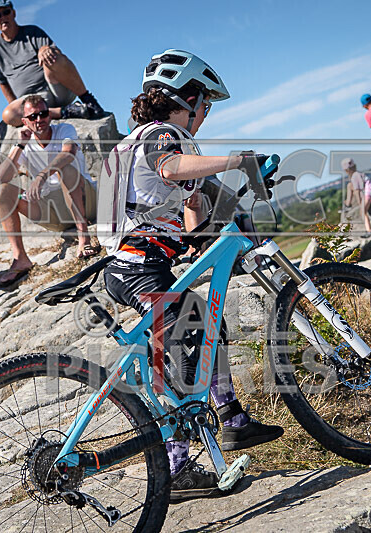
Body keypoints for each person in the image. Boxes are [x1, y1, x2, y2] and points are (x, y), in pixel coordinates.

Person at [102, 49, 283, 502]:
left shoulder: (130, 144)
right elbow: (170, 167)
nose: (204, 116)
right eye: (205, 105)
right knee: (189, 327)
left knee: (200, 324)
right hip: (137, 263)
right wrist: (236, 161)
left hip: (135, 262)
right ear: (188, 99)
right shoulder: (162, 134)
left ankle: (233, 420)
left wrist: (201, 201)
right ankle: (177, 463)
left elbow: (188, 225)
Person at [0, 94, 98, 285]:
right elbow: (0, 178)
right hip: (55, 215)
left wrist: (41, 176)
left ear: (50, 115)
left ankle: (84, 236)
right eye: (33, 117)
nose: (39, 120)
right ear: (25, 121)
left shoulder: (65, 129)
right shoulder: (25, 144)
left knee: (64, 167)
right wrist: (19, 145)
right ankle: (20, 259)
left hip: (85, 204)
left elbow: (68, 154)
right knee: (2, 192)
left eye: (43, 114)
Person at [0, 0, 106, 126]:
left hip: (56, 89)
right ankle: (65, 112)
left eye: (6, 12)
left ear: (14, 13)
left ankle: (89, 102)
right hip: (32, 101)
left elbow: (58, 56)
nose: (3, 17)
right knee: (9, 115)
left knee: (52, 56)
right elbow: (2, 82)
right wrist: (17, 106)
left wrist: (45, 49)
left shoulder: (32, 32)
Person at [341, 158, 371, 234]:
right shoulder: (358, 174)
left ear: (347, 171)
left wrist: (360, 203)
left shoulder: (354, 176)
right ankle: (348, 204)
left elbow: (357, 191)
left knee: (363, 211)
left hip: (368, 193)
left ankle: (369, 231)